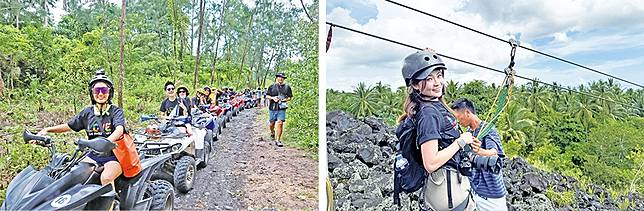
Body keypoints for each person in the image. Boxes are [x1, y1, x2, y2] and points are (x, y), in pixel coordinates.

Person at [397, 49, 476, 211]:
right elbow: (431, 163)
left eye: (439, 75)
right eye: (429, 78)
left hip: (448, 189)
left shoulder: (432, 104)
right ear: (415, 84)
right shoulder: (428, 115)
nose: (437, 82)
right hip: (448, 194)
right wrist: (461, 142)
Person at [36, 70, 127, 188]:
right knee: (72, 175)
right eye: (96, 90)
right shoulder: (87, 113)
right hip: (92, 156)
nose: (100, 94)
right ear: (92, 93)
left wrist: (106, 142)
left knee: (106, 178)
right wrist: (47, 130)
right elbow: (69, 126)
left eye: (104, 90)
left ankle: (112, 205)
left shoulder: (115, 111)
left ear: (110, 92)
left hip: (114, 157)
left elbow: (119, 129)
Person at [450, 98, 507, 211]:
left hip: (492, 193)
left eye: (458, 117)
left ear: (467, 113)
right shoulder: (468, 134)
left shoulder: (488, 129)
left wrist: (480, 151)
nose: (458, 121)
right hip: (474, 190)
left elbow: (494, 152)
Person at [266, 72, 293, 147]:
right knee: (272, 123)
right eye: (279, 77)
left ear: (284, 79)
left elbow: (290, 97)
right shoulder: (271, 86)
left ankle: (278, 140)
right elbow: (267, 96)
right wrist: (273, 98)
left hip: (282, 108)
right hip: (272, 107)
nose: (280, 79)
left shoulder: (287, 87)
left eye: (282, 78)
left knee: (280, 123)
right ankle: (272, 132)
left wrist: (285, 100)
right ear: (276, 78)